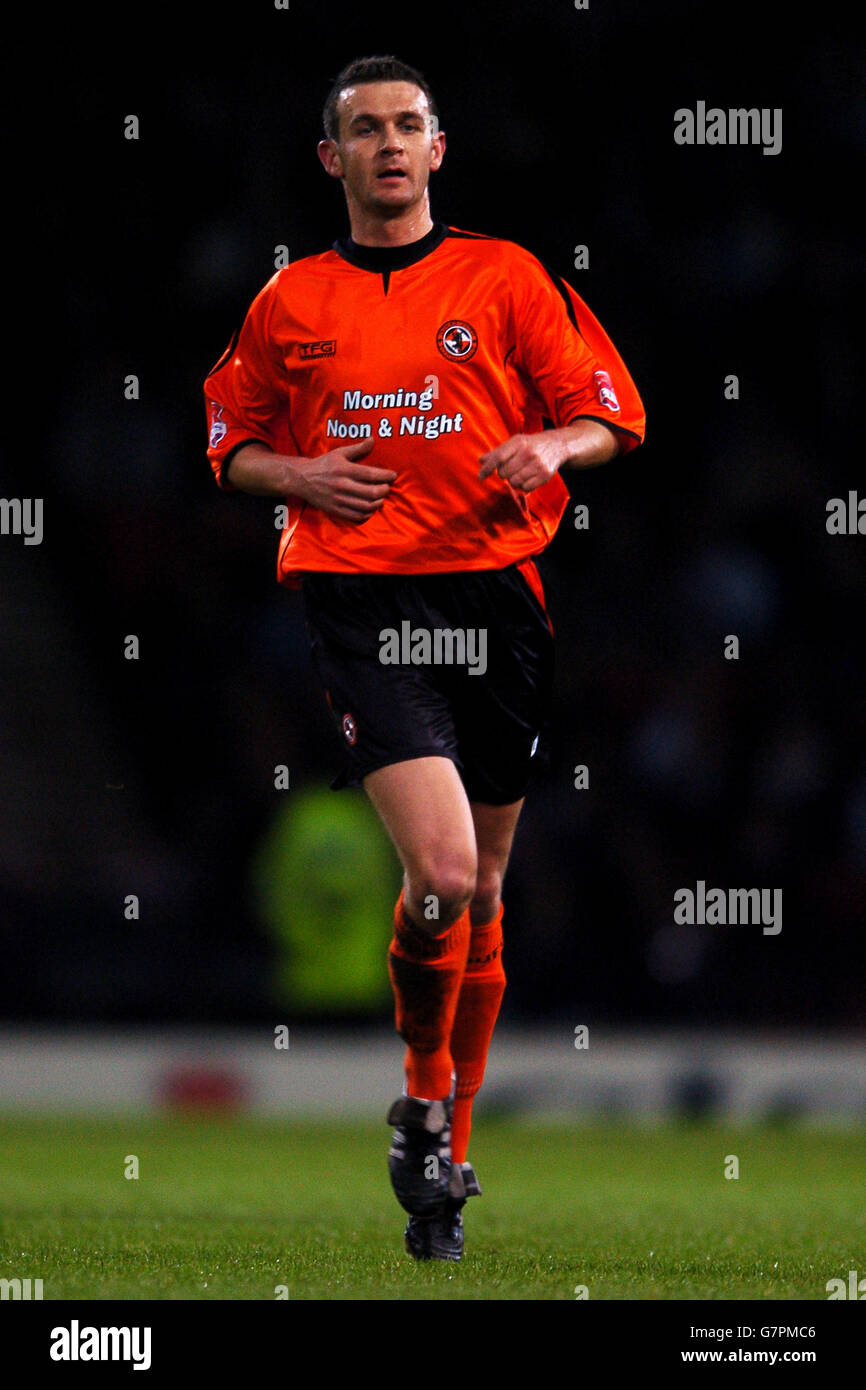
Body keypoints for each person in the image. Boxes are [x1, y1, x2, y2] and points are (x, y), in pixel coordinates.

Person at [204, 53, 646, 1261]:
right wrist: (297, 473)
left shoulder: (503, 276)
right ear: (330, 158)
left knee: (485, 889)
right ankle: (420, 1095)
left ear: (437, 149)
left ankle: (445, 1136)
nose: (389, 145)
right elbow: (229, 438)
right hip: (362, 605)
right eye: (364, 130)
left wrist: (555, 444)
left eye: (408, 126)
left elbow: (612, 411)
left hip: (497, 602)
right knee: (442, 871)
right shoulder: (288, 302)